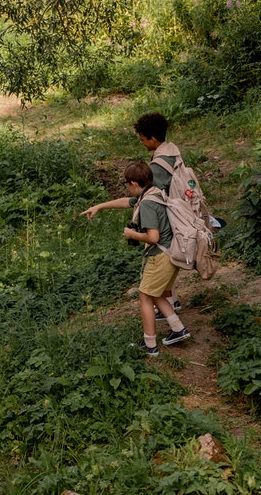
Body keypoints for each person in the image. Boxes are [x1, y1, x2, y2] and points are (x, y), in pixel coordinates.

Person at [81, 161, 191, 355]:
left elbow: (152, 237)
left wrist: (132, 235)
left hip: (159, 258)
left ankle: (150, 346)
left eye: (126, 183)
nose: (126, 187)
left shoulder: (147, 204)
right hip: (170, 255)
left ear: (133, 183)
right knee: (155, 294)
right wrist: (99, 206)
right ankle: (178, 329)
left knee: (145, 296)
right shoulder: (152, 192)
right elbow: (126, 202)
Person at [133, 112, 184, 316]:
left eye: (143, 139)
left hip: (168, 218)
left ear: (152, 138)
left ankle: (169, 304)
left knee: (160, 265)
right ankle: (171, 301)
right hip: (176, 210)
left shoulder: (158, 165)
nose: (142, 143)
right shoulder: (172, 150)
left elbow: (152, 195)